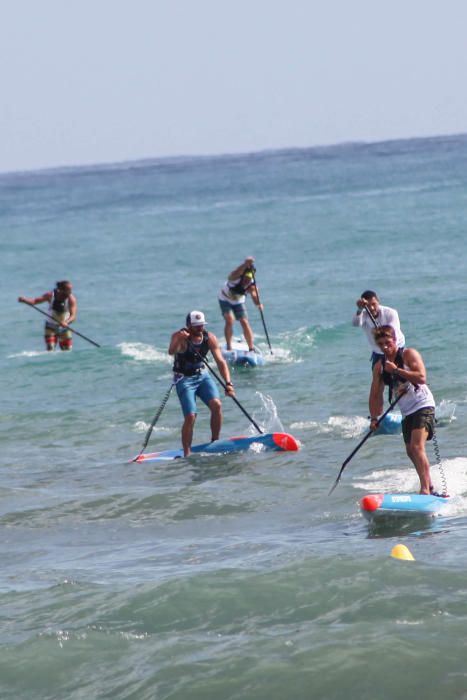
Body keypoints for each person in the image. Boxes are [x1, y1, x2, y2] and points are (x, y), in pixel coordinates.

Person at [369, 325, 436, 495]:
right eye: (381, 344)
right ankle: (430, 484)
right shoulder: (379, 366)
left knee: (416, 447)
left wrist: (398, 370)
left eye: (388, 342)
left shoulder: (408, 354)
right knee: (410, 451)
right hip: (407, 411)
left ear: (395, 340)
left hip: (423, 404)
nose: (385, 346)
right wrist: (375, 418)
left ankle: (425, 490)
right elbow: (375, 394)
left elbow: (421, 377)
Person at [168, 310, 236, 457]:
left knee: (217, 405)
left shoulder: (209, 337)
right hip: (184, 379)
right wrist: (179, 339)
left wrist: (228, 383)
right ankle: (187, 452)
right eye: (196, 326)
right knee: (191, 416)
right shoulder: (179, 337)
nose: (200, 328)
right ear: (188, 326)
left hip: (202, 376)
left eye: (201, 325)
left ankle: (214, 442)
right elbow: (171, 351)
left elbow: (220, 362)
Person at [218, 256, 263, 352]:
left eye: (249, 279)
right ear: (242, 276)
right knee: (230, 320)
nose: (246, 281)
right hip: (225, 299)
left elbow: (254, 295)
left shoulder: (251, 285)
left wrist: (258, 304)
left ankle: (251, 348)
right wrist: (245, 264)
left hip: (238, 302)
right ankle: (229, 346)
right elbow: (236, 271)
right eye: (245, 278)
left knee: (244, 322)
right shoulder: (234, 278)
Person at [18, 280, 77, 351]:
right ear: (60, 290)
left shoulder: (71, 299)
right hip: (50, 327)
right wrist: (25, 300)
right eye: (68, 290)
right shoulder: (50, 295)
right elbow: (35, 301)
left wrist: (66, 322)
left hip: (64, 328)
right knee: (50, 349)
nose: (70, 292)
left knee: (67, 350)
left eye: (70, 289)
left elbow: (73, 316)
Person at [352, 290, 405, 367]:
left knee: (401, 373)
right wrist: (359, 309)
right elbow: (355, 323)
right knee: (378, 376)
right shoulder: (363, 314)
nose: (372, 308)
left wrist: (390, 355)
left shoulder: (390, 312)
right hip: (378, 351)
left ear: (378, 301)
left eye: (374, 304)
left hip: (397, 348)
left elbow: (393, 334)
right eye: (368, 306)